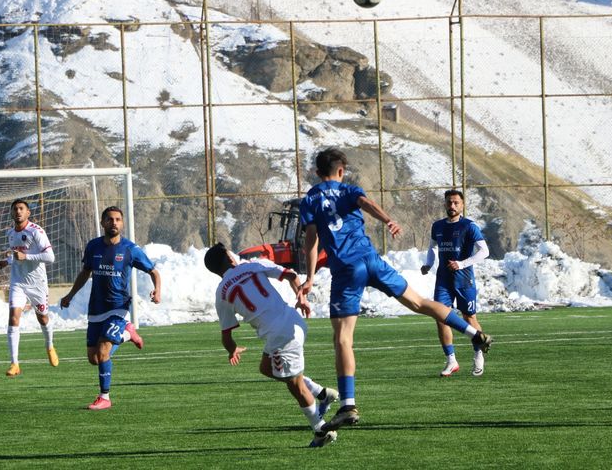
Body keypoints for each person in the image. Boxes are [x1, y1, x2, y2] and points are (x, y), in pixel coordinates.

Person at [297, 148, 492, 432]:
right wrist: (387, 219)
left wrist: (310, 277)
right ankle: (475, 334)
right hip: (372, 260)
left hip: (346, 270)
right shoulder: (350, 189)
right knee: (419, 302)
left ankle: (348, 404)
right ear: (341, 171)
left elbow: (311, 240)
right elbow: (365, 202)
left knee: (342, 339)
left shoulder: (310, 199)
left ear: (317, 173)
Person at [203, 242, 340, 448]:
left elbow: (226, 335)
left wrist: (233, 349)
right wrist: (300, 298)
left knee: (295, 385)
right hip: (293, 321)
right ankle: (322, 393)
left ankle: (321, 430)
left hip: (280, 335)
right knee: (267, 368)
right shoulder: (252, 265)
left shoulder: (222, 293)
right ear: (231, 258)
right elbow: (292, 275)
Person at [60, 206, 162, 410]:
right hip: (96, 307)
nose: (114, 222)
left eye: (117, 219)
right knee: (94, 358)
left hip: (118, 306)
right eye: (109, 219)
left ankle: (104, 397)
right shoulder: (93, 247)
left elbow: (154, 272)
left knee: (104, 351)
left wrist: (157, 291)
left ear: (122, 223)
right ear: (102, 223)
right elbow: (85, 272)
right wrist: (70, 295)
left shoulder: (130, 249)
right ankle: (127, 333)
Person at [421, 190, 490, 377]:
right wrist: (428, 264)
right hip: (443, 280)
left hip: (464, 280)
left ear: (462, 205)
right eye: (449, 202)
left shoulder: (469, 226)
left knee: (469, 318)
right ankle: (451, 360)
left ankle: (478, 353)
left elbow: (484, 251)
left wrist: (461, 263)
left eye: (456, 203)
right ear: (445, 204)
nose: (452, 206)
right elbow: (432, 247)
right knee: (441, 317)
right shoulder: (437, 226)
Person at [0, 199, 57, 377]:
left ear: (28, 212)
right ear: (11, 213)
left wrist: (26, 257)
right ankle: (15, 363)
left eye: (21, 209)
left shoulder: (36, 231)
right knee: (14, 318)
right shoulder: (10, 234)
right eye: (15, 209)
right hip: (18, 282)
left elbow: (50, 257)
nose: (18, 211)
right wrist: (6, 262)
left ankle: (50, 346)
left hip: (37, 284)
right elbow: (17, 256)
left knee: (43, 319)